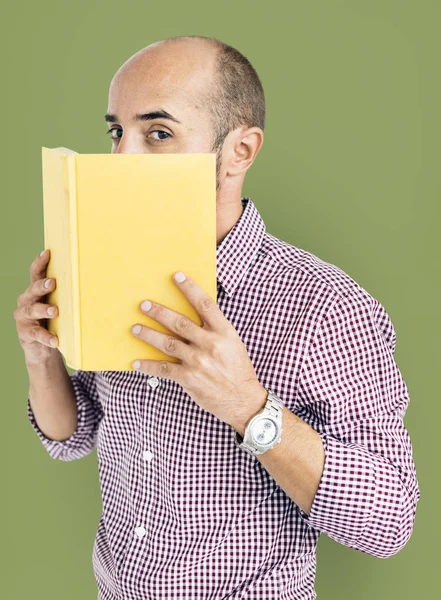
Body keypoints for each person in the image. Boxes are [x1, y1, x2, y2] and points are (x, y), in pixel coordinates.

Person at [16, 35, 421, 600]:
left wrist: (247, 405)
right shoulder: (103, 265)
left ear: (240, 151)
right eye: (117, 132)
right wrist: (41, 357)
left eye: (158, 133)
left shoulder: (328, 306)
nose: (123, 159)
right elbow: (73, 434)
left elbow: (389, 521)